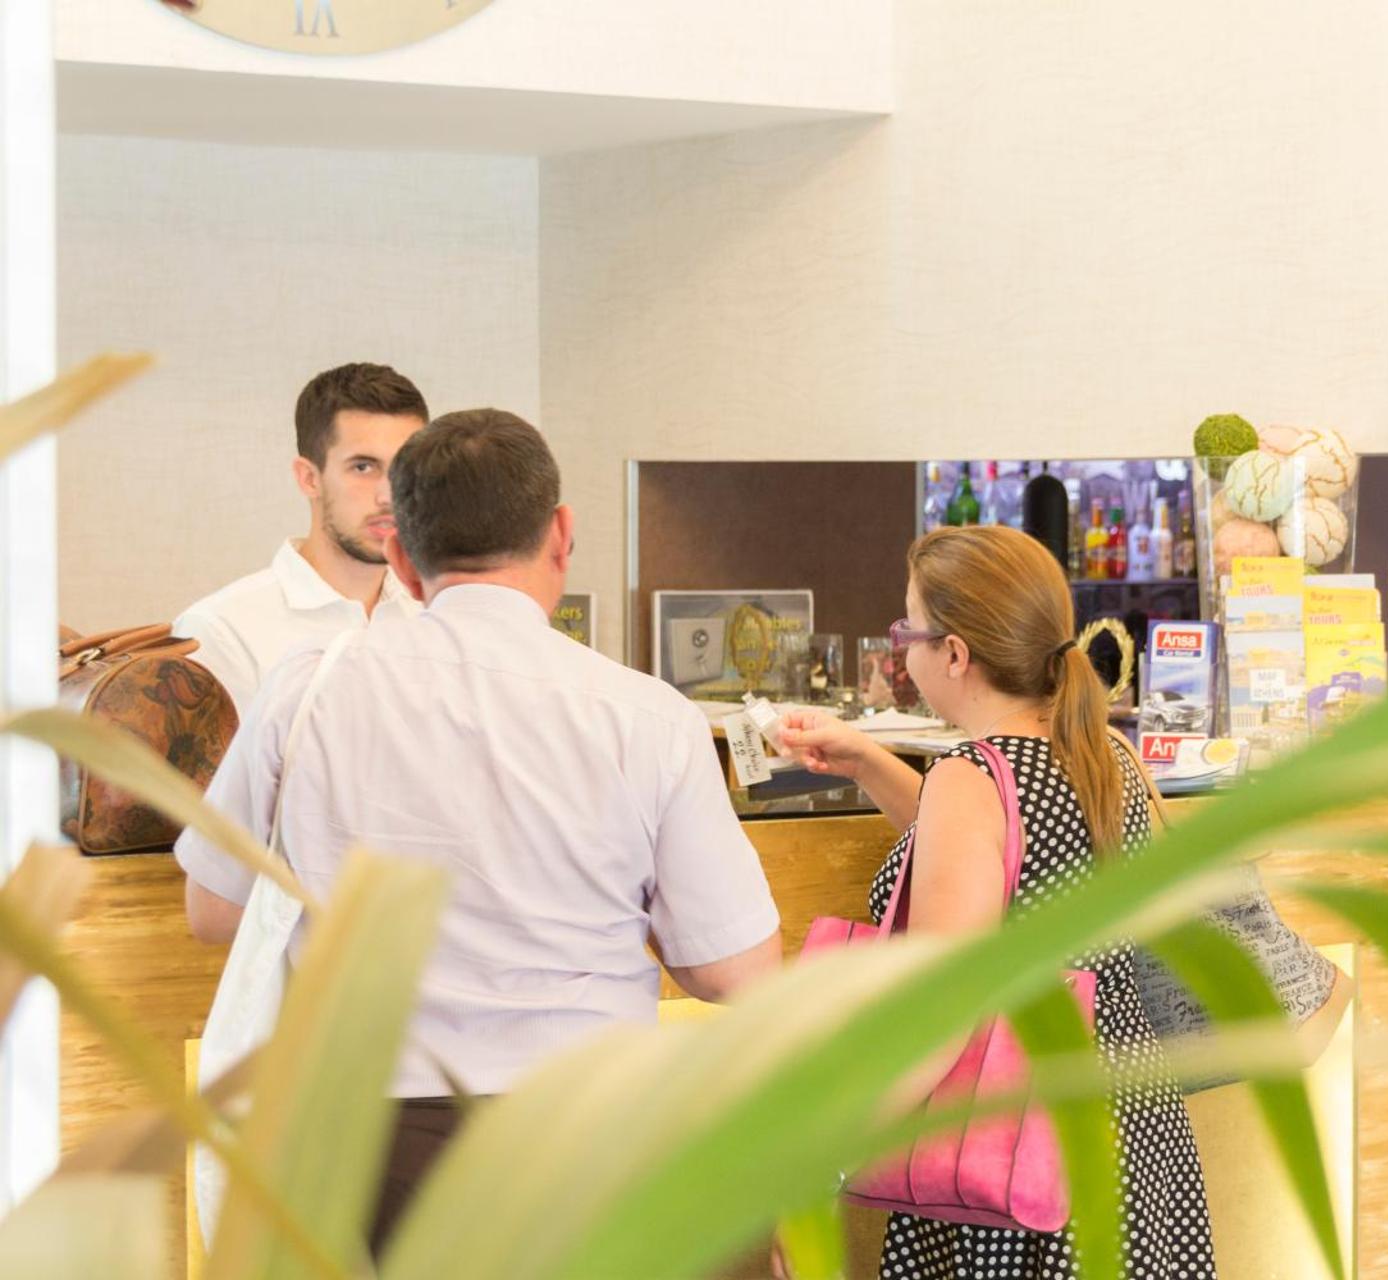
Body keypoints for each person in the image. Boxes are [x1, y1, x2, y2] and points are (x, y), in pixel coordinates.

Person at [175, 408, 782, 1251]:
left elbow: (214, 910)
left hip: (364, 1153)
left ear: (400, 557)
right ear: (561, 534)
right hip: (592, 1135)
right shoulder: (647, 717)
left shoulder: (305, 690)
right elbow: (734, 971)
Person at [778, 524, 1218, 1279]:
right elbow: (1005, 853)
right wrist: (868, 760)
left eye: (908, 629)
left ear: (954, 654)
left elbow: (941, 1013)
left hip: (1014, 1139)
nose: (902, 650)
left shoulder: (974, 776)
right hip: (1132, 1130)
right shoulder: (1105, 749)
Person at [173, 362, 429, 714]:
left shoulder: (433, 613)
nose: (388, 495)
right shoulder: (221, 631)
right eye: (363, 467)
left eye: (403, 468)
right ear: (309, 478)